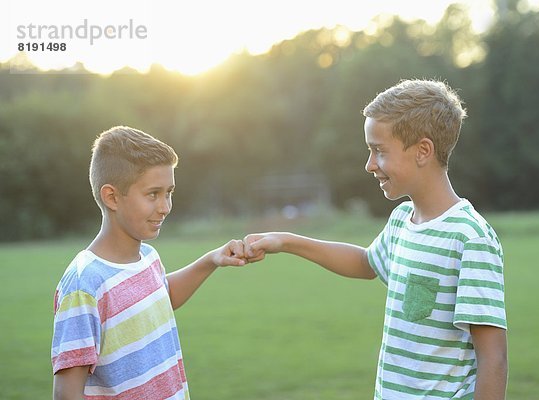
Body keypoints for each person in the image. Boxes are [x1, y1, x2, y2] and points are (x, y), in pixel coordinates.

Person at [244, 79, 508, 399]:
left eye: (379, 151)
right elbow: (366, 262)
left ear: (423, 151)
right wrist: (286, 241)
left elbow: (493, 357)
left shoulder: (470, 239)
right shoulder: (401, 220)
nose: (370, 165)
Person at [51, 126, 247, 399]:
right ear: (112, 197)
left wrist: (211, 260)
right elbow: (66, 394)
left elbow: (161, 296)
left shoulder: (147, 256)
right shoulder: (85, 283)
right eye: (153, 194)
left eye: (169, 192)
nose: (165, 206)